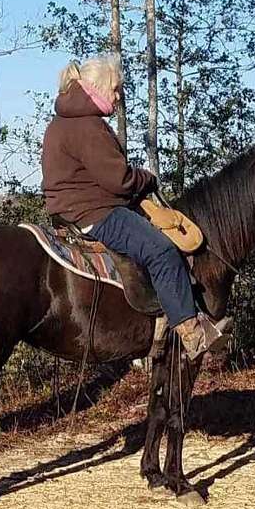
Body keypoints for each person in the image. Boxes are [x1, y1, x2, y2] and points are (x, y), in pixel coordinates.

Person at [41, 54, 231, 360]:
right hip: (96, 213)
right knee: (162, 250)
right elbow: (118, 180)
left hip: (70, 212)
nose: (118, 97)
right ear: (98, 88)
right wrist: (146, 178)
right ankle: (192, 333)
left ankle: (159, 323)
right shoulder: (89, 126)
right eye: (115, 89)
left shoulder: (60, 123)